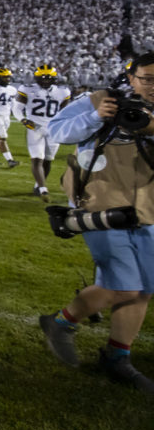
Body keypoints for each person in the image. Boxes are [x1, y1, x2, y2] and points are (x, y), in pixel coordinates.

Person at [39, 53, 154, 394]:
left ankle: (117, 357)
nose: (152, 86)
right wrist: (94, 117)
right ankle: (60, 322)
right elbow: (56, 130)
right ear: (130, 77)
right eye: (146, 78)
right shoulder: (98, 99)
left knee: (144, 288)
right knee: (125, 286)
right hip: (101, 205)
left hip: (149, 207)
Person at [13, 64, 71, 201]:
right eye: (42, 78)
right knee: (37, 158)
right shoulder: (27, 89)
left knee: (48, 160)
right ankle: (43, 189)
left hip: (53, 129)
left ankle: (38, 185)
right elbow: (17, 108)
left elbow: (64, 111)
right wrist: (23, 120)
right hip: (35, 128)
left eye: (48, 78)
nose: (45, 80)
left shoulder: (63, 92)